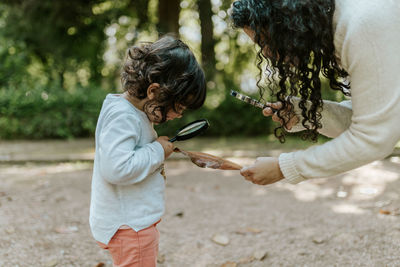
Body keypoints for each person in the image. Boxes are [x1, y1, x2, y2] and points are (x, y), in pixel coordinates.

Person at [230, 0, 400, 185]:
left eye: (265, 41)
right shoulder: (342, 29)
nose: (267, 53)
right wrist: (305, 114)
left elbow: (374, 137)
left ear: (287, 21)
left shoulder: (361, 26)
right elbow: (375, 117)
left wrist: (283, 167)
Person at [90, 35, 206, 266]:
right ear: (154, 91)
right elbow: (117, 168)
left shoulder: (132, 113)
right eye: (178, 107)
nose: (179, 115)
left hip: (131, 223)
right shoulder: (124, 116)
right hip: (130, 226)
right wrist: (157, 151)